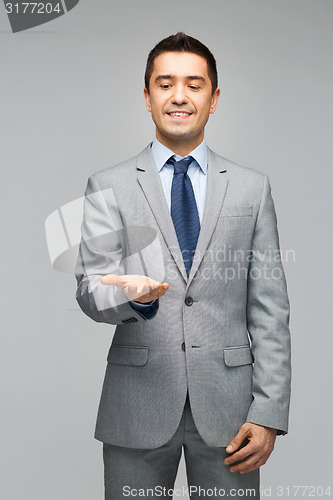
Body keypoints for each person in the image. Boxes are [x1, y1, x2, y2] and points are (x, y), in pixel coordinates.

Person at [75, 32, 291, 500]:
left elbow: (271, 310)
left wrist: (269, 412)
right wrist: (129, 295)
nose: (179, 96)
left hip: (233, 413)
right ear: (147, 97)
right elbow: (90, 290)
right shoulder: (107, 184)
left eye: (194, 85)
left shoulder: (252, 189)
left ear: (214, 99)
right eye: (165, 83)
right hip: (136, 404)